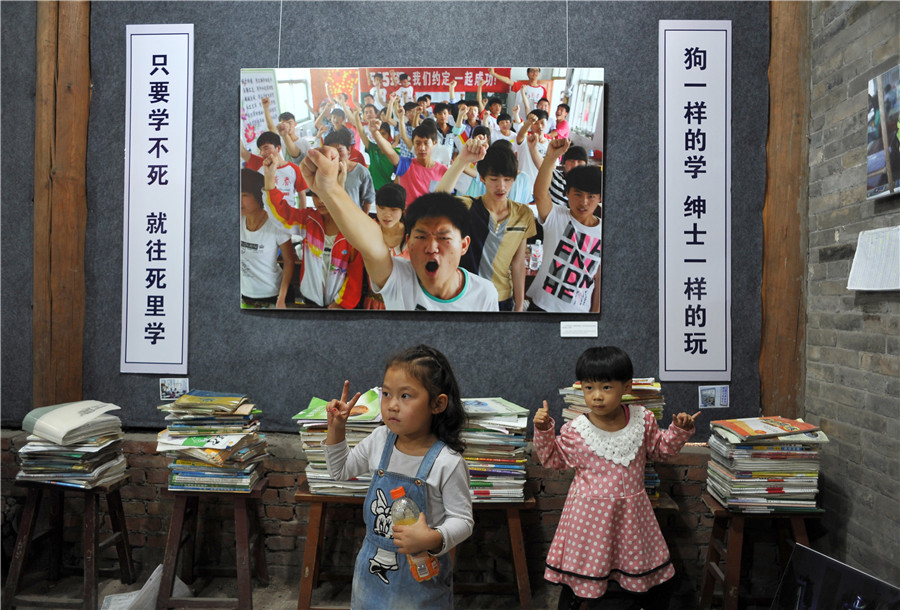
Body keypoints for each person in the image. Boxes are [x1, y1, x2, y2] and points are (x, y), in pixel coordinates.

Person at [533, 345, 700, 609]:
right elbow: (552, 460)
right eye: (589, 388)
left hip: (632, 517)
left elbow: (661, 450)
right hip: (588, 521)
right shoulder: (576, 430)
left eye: (606, 387)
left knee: (640, 579)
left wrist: (679, 430)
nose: (597, 396)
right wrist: (543, 430)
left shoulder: (643, 420)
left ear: (627, 387)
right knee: (584, 580)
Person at [324, 345, 474, 609]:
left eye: (405, 396)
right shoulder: (379, 439)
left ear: (437, 404)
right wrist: (336, 428)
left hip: (421, 581)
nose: (392, 405)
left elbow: (462, 520)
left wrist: (433, 538)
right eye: (386, 394)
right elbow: (340, 470)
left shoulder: (447, 462)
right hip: (371, 577)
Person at [299, 145, 499, 311]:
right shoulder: (398, 279)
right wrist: (330, 189)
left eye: (444, 238)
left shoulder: (484, 294)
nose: (431, 247)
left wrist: (461, 161)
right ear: (409, 243)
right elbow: (372, 244)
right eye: (421, 237)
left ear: (463, 245)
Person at [437, 136, 536, 311]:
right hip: (465, 295)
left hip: (501, 298)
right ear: (482, 178)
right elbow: (437, 200)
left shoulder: (523, 214)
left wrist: (519, 306)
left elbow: (518, 263)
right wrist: (462, 160)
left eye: (507, 179)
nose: (501, 187)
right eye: (494, 179)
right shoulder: (468, 207)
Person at [262, 156, 364, 309]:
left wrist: (342, 304)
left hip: (339, 304)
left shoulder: (353, 227)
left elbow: (356, 273)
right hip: (310, 299)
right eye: (316, 195)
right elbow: (282, 213)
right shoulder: (309, 220)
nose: (320, 200)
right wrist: (269, 176)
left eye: (325, 194)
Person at [526, 138, 603, 312]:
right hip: (542, 305)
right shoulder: (557, 217)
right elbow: (540, 194)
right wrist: (551, 157)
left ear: (599, 198)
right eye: (578, 194)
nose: (584, 202)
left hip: (578, 313)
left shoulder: (604, 232)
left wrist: (595, 313)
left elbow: (600, 279)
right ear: (567, 193)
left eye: (591, 196)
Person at [239, 168, 295, 308]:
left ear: (259, 196)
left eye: (244, 195)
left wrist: (281, 298)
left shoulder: (276, 223)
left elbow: (289, 260)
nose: (239, 200)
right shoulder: (237, 221)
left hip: (272, 294)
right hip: (244, 294)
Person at [369, 119, 448, 207]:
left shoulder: (443, 170)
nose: (422, 148)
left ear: (434, 143)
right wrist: (375, 132)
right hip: (409, 215)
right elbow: (389, 151)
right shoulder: (405, 165)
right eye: (418, 143)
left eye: (426, 143)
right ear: (413, 144)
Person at [363, 183, 409, 310]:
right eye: (382, 208)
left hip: (405, 305)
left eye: (393, 209)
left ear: (403, 208)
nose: (387, 215)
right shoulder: (369, 230)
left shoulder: (413, 236)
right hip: (373, 304)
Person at [240, 131, 308, 208]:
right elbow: (242, 151)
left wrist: (302, 215)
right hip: (267, 213)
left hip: (288, 213)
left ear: (278, 148)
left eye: (266, 148)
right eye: (260, 149)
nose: (262, 153)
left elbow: (302, 197)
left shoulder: (294, 169)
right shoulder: (260, 164)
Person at [323, 128, 375, 214]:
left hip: (354, 217)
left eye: (340, 150)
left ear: (349, 150)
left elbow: (368, 199)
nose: (336, 155)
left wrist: (363, 217)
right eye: (332, 151)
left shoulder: (361, 172)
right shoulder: (324, 172)